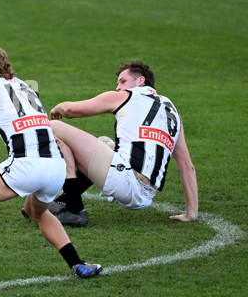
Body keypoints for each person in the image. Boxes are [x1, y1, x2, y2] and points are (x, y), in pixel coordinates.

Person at [0, 28, 101, 282]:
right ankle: (78, 264)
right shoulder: (25, 86)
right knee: (37, 212)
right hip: (56, 168)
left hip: (27, 166)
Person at [47, 60, 198, 227]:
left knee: (52, 127)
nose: (118, 87)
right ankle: (65, 201)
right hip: (146, 196)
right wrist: (191, 213)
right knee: (104, 142)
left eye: (123, 81)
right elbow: (187, 165)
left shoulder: (128, 95)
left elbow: (70, 110)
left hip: (127, 182)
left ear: (140, 81)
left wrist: (57, 108)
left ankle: (74, 210)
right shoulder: (173, 114)